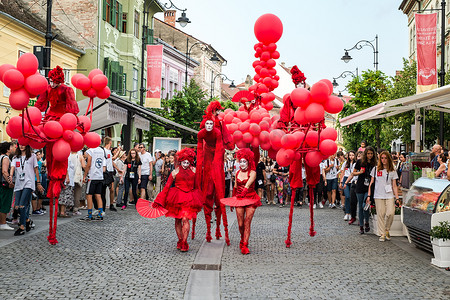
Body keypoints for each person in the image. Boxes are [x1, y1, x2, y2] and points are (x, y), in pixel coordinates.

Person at [152, 148, 202, 252]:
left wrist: (199, 197)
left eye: (188, 162)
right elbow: (167, 187)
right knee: (178, 219)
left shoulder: (194, 171)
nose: (185, 164)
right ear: (180, 161)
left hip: (190, 197)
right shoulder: (175, 172)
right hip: (177, 197)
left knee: (185, 218)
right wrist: (159, 200)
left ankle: (184, 242)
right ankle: (180, 240)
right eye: (184, 162)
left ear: (190, 162)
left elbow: (197, 186)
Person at [221, 148, 261, 255]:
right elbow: (234, 187)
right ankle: (242, 237)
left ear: (248, 162)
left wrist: (244, 191)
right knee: (240, 224)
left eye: (245, 161)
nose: (242, 164)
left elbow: (248, 184)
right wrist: (232, 201)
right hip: (239, 199)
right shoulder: (237, 172)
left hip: (250, 198)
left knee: (247, 222)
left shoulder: (252, 172)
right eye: (241, 161)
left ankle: (244, 244)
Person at [196, 115, 229, 243]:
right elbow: (199, 152)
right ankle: (209, 231)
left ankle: (219, 230)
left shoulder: (217, 132)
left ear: (213, 124)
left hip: (216, 161)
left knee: (219, 196)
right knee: (208, 194)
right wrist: (200, 167)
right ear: (204, 124)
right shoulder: (201, 133)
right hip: (208, 159)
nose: (209, 126)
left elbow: (220, 150)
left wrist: (217, 168)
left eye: (211, 124)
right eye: (207, 124)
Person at [10, 145, 43, 235]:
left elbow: (36, 169)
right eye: (20, 144)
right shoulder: (16, 157)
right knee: (16, 206)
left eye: (23, 144)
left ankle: (22, 226)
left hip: (29, 183)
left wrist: (38, 183)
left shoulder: (32, 156)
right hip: (18, 184)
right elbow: (13, 167)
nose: (21, 146)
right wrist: (10, 176)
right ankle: (27, 220)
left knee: (22, 204)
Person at [367, 151, 399, 242]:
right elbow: (371, 183)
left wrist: (397, 198)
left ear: (388, 159)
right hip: (378, 194)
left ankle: (387, 229)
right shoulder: (376, 169)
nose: (383, 160)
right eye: (382, 158)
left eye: (385, 158)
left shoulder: (392, 170)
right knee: (380, 214)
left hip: (389, 195)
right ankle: (382, 234)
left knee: (390, 213)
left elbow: (394, 185)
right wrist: (369, 195)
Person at [353, 146, 377, 234]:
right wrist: (360, 172)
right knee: (360, 206)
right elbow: (353, 172)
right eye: (368, 154)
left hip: (369, 187)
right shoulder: (360, 162)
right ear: (365, 154)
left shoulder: (375, 164)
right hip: (360, 185)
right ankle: (361, 226)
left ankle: (366, 221)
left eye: (371, 154)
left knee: (365, 205)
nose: (369, 155)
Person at [80, 146, 106, 221]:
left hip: (92, 176)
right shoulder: (101, 150)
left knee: (89, 195)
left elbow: (89, 164)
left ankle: (89, 215)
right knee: (98, 195)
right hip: (100, 176)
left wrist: (85, 175)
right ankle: (100, 214)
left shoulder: (91, 150)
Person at [0, 142, 15, 231]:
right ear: (7, 149)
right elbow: (4, 172)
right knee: (5, 203)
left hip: (1, 184)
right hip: (4, 184)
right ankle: (3, 223)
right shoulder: (5, 158)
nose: (13, 148)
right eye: (12, 147)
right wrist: (10, 182)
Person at [58, 151, 76, 217]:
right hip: (66, 180)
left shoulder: (60, 157)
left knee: (61, 195)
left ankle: (60, 211)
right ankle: (63, 212)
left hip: (62, 179)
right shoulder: (66, 157)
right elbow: (66, 168)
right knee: (65, 195)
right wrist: (67, 177)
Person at [341, 151, 356, 221]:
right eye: (350, 155)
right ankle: (347, 213)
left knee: (351, 198)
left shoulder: (356, 164)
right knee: (347, 196)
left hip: (353, 180)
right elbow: (343, 172)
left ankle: (350, 213)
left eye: (353, 155)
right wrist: (341, 181)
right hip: (346, 179)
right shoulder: (345, 163)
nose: (351, 157)